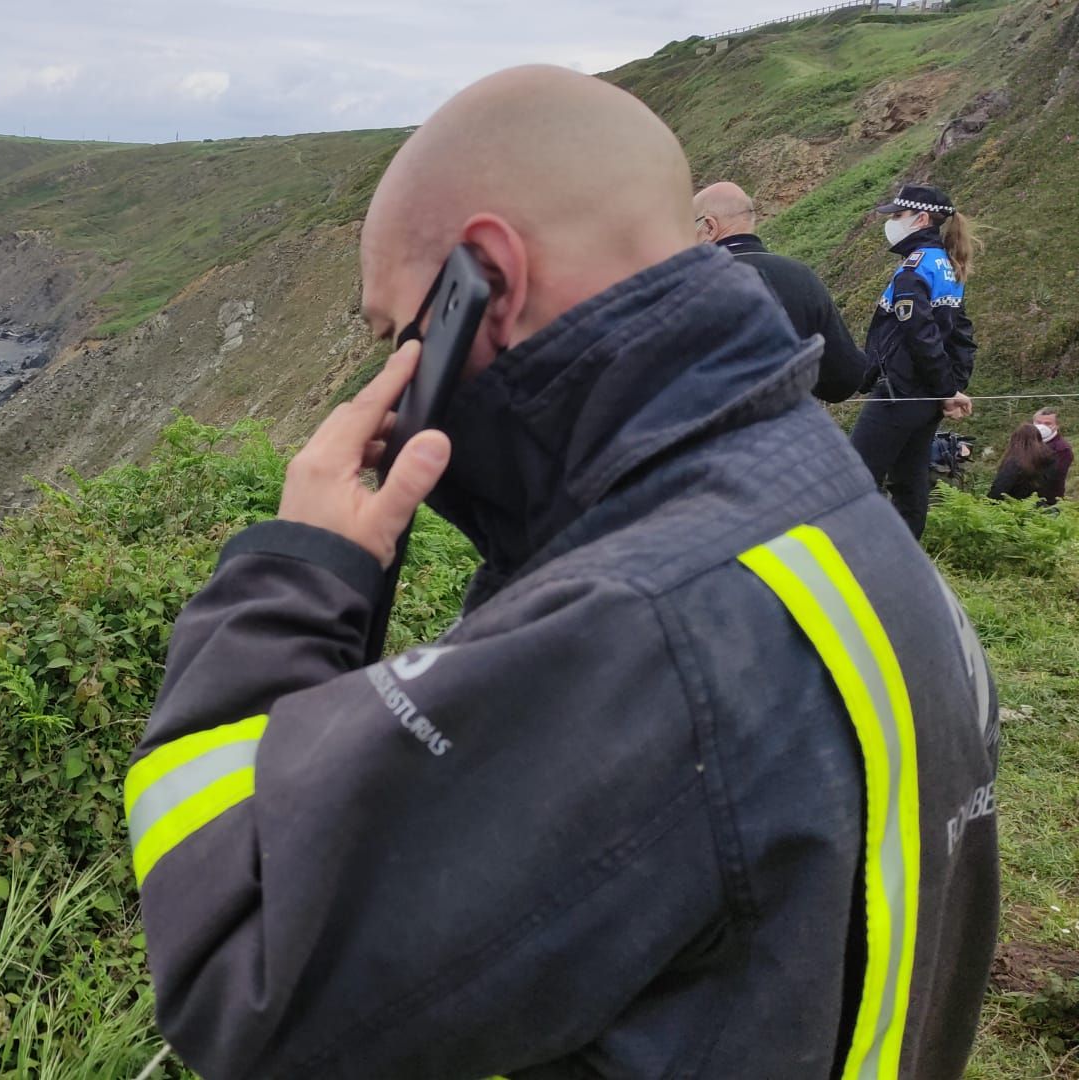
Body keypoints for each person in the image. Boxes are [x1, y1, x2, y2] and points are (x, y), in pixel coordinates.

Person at [128, 67, 998, 1079]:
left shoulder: (646, 624)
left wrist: (296, 577)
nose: (388, 389)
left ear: (482, 283)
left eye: (396, 333)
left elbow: (243, 978)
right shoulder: (827, 514)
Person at [848, 183, 981, 538]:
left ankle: (848, 556)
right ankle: (906, 562)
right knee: (910, 480)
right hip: (925, 399)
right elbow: (961, 336)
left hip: (900, 393)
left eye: (897, 215)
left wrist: (947, 390)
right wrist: (950, 388)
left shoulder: (914, 269)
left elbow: (920, 337)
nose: (891, 222)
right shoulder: (947, 266)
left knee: (852, 477)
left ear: (921, 218)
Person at [693, 181, 869, 402]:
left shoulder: (690, 285)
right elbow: (843, 379)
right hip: (792, 429)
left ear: (709, 227)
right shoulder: (801, 276)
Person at [989, 422, 1063, 505]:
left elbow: (1001, 486)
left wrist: (988, 504)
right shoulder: (1050, 459)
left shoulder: (1014, 461)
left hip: (1014, 508)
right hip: (1043, 507)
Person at [1036, 406, 1072, 498]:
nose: (1042, 427)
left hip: (1049, 501)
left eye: (1047, 424)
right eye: (1038, 423)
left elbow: (1053, 478)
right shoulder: (1027, 442)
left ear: (1057, 426)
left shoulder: (1062, 449)